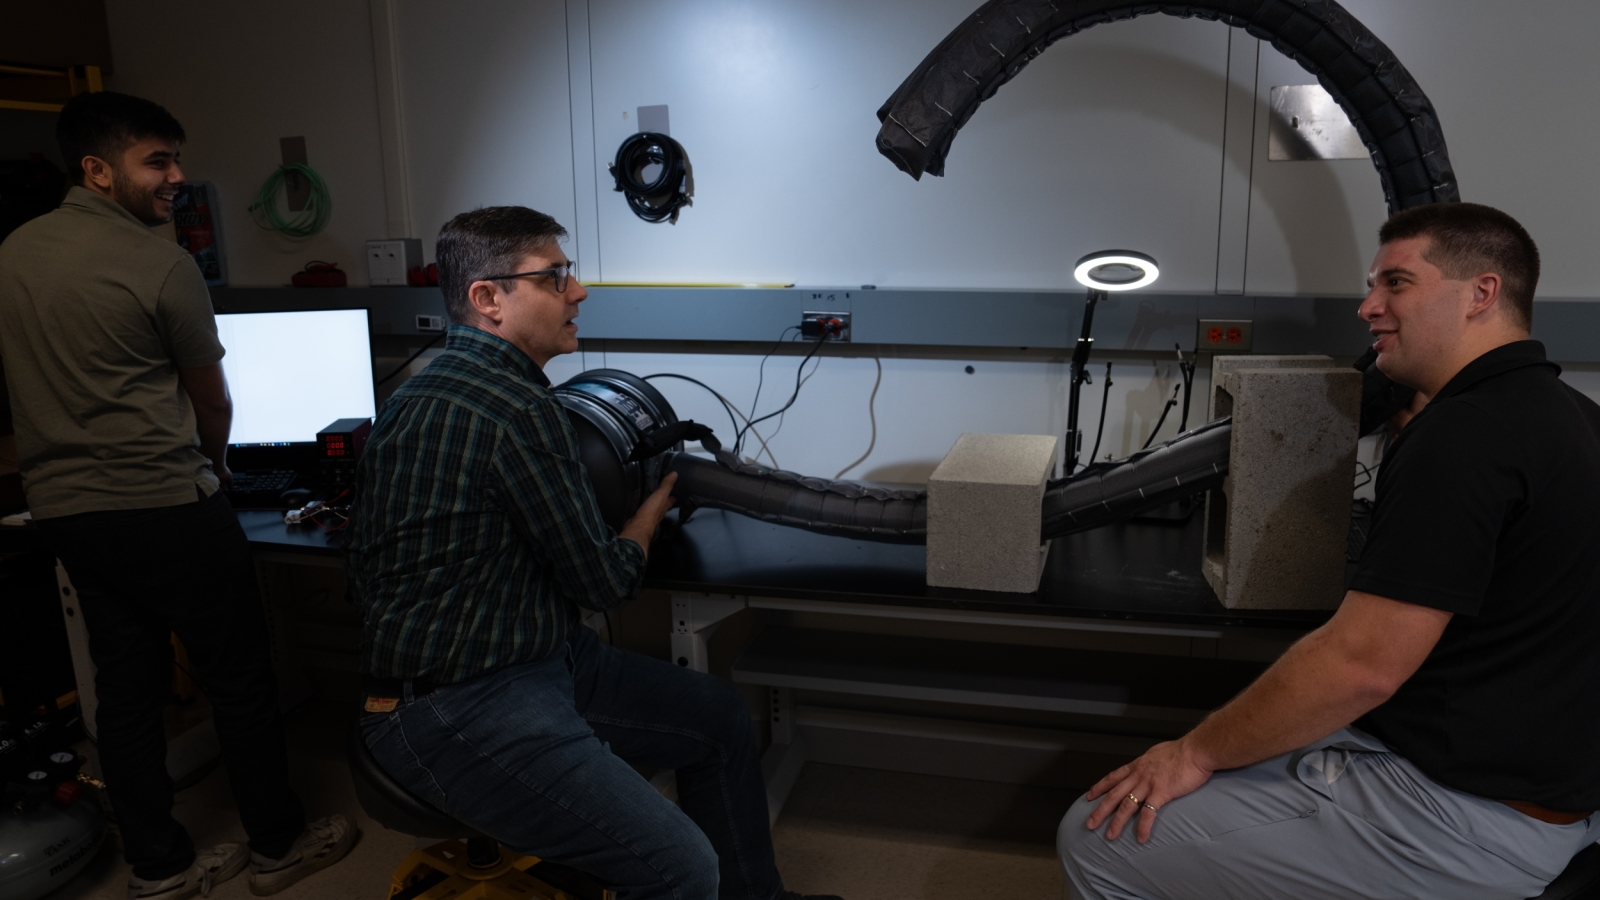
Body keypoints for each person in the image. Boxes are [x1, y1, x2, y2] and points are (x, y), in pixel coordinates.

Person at [1057, 202, 1600, 900]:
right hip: (1547, 799)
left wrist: (1191, 752)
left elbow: (1361, 667)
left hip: (1464, 817)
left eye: (1396, 283)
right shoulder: (1576, 418)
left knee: (1099, 840)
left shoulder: (1465, 435)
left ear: (1482, 294)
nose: (1367, 307)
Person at [346, 206, 841, 900]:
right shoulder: (522, 411)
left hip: (527, 658)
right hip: (461, 705)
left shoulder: (414, 392)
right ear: (488, 299)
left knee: (717, 718)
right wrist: (645, 518)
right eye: (553, 279)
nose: (577, 293)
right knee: (680, 867)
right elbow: (603, 582)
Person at [0, 91, 355, 898]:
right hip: (164, 502)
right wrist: (217, 467)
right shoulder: (160, 264)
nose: (178, 178)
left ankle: (160, 867)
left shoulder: (13, 253)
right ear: (96, 171)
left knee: (124, 689)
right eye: (157, 162)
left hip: (67, 512)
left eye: (176, 158)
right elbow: (214, 403)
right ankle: (278, 846)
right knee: (237, 676)